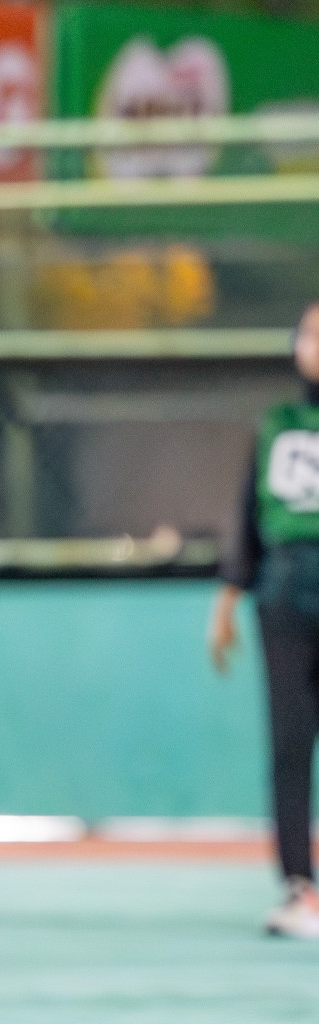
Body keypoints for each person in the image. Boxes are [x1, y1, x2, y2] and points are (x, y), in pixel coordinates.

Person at [210, 302, 319, 940]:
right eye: (310, 331)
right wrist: (227, 601)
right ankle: (299, 886)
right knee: (288, 743)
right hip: (284, 594)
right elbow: (247, 516)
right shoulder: (274, 423)